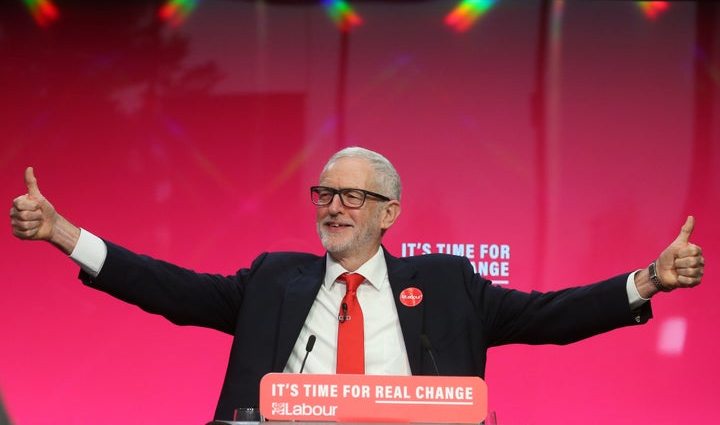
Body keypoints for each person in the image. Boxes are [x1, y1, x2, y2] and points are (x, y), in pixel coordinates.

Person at [10, 147, 705, 420]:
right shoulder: (273, 281)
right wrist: (66, 233)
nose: (333, 206)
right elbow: (172, 289)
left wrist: (648, 280)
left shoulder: (446, 283)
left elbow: (551, 315)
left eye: (352, 197)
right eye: (324, 193)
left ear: (390, 213)